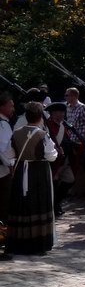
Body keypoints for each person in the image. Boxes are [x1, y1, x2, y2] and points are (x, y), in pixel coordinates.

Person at [4, 102, 58, 256]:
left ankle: (19, 242)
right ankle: (38, 244)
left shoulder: (16, 133)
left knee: (21, 205)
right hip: (39, 173)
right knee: (39, 204)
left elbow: (8, 154)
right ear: (40, 117)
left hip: (21, 171)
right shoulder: (43, 134)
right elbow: (52, 156)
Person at [44, 102, 76, 216]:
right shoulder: (47, 126)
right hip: (55, 161)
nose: (61, 114)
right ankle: (54, 206)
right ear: (52, 113)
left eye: (62, 112)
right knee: (54, 183)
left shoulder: (62, 125)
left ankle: (56, 202)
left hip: (65, 160)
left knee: (70, 180)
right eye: (58, 112)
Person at [0, 92, 16, 231]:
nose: (13, 109)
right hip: (3, 171)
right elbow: (4, 149)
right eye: (10, 106)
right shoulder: (3, 124)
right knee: (4, 203)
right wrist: (11, 165)